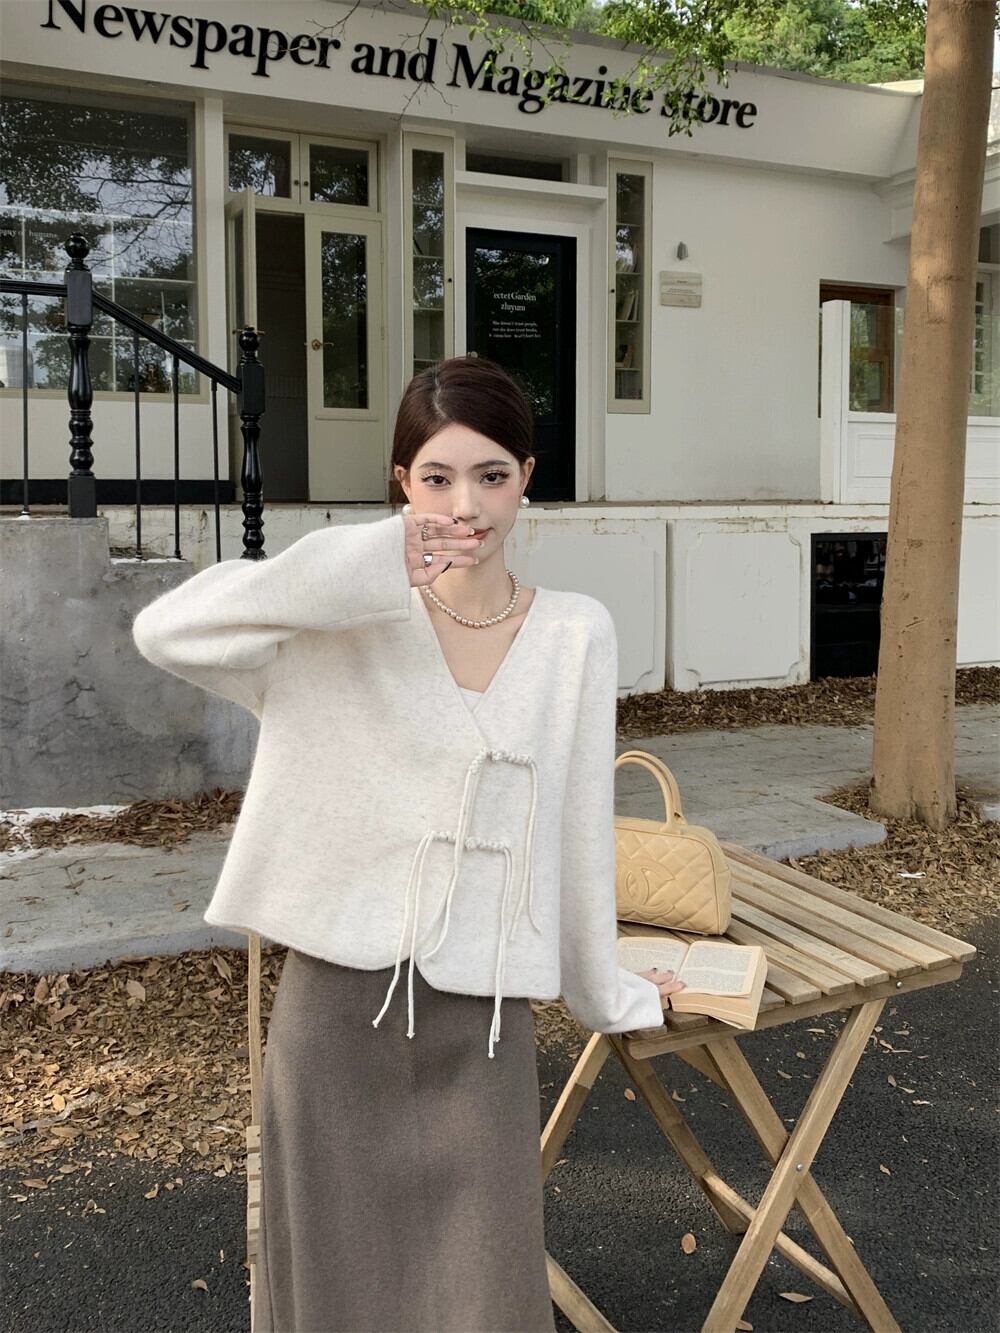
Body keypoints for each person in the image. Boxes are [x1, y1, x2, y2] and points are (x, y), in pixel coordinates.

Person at [131, 355, 685, 1333]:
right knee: (337, 1291)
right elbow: (168, 631)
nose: (465, 506)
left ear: (526, 476)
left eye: (491, 475)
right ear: (402, 485)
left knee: (483, 1294)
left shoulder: (575, 634)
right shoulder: (344, 614)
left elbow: (577, 841)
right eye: (436, 477)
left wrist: (611, 993)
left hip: (485, 1021)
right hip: (335, 1014)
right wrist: (367, 564)